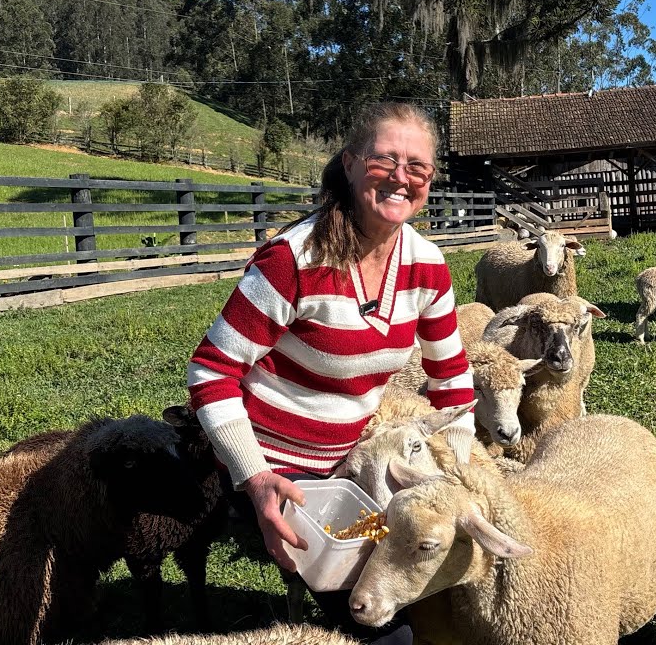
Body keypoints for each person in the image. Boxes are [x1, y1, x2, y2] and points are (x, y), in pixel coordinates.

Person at [186, 103, 475, 642]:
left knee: (430, 561)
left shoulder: (428, 264)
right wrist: (255, 479)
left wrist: (458, 471)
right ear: (349, 164)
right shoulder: (293, 260)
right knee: (376, 604)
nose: (400, 177)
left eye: (417, 167)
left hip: (355, 455)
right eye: (384, 160)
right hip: (277, 465)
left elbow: (452, 381)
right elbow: (210, 373)